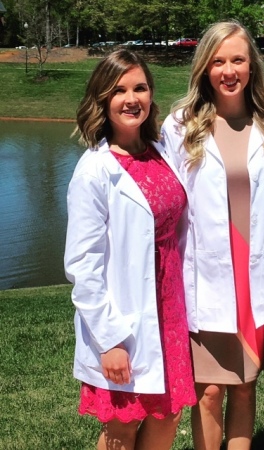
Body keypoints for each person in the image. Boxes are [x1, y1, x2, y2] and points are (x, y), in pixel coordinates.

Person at [161, 21, 264, 450]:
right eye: (218, 61)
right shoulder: (180, 126)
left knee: (245, 387)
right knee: (208, 391)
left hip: (254, 283)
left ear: (252, 66)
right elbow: (166, 207)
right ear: (204, 68)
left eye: (237, 59)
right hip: (204, 281)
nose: (228, 70)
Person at [64, 49, 196, 450]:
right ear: (102, 99)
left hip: (169, 312)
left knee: (168, 416)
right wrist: (110, 341)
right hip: (127, 322)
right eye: (119, 90)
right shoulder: (94, 171)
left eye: (140, 87)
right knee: (122, 428)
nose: (131, 98)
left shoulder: (160, 152)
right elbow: (82, 266)